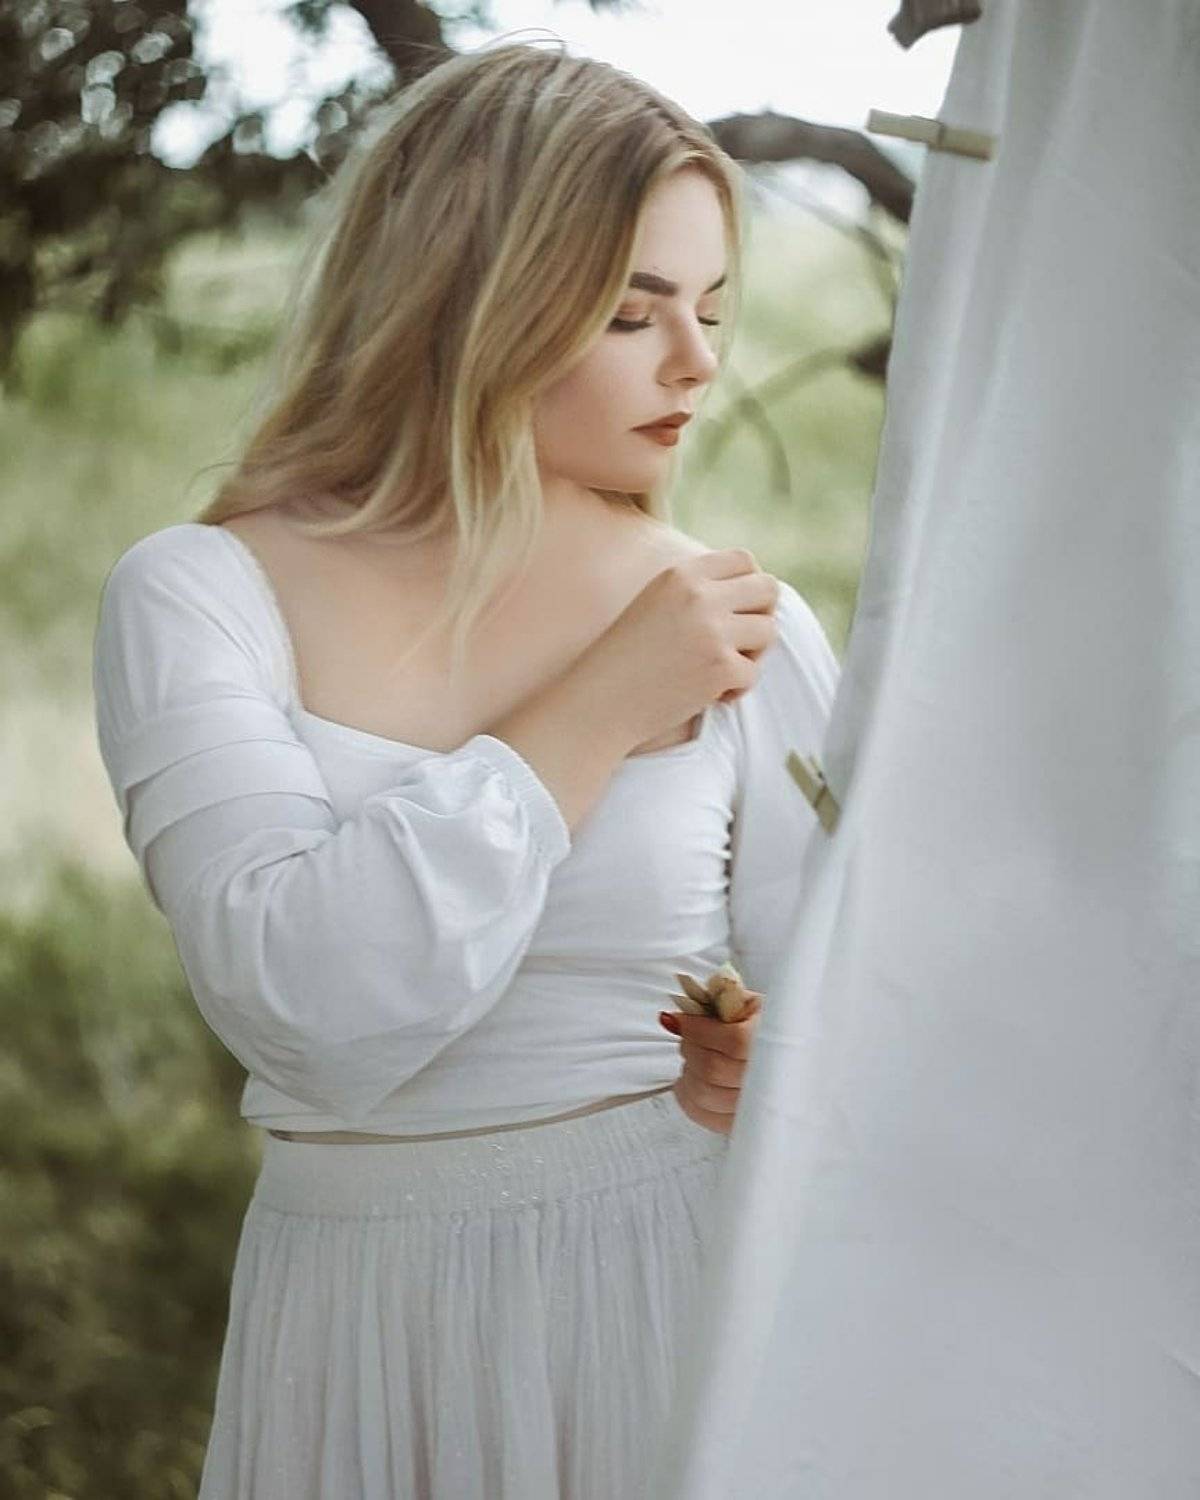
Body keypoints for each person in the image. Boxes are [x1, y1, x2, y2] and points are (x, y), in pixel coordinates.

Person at [91, 38, 839, 1500]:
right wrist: (597, 708)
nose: (696, 361)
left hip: (669, 1295)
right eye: (631, 312)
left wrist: (785, 1071)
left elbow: (861, 1022)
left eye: (710, 309)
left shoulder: (742, 623)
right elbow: (302, 1010)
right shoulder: (198, 592)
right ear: (472, 298)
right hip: (356, 1328)